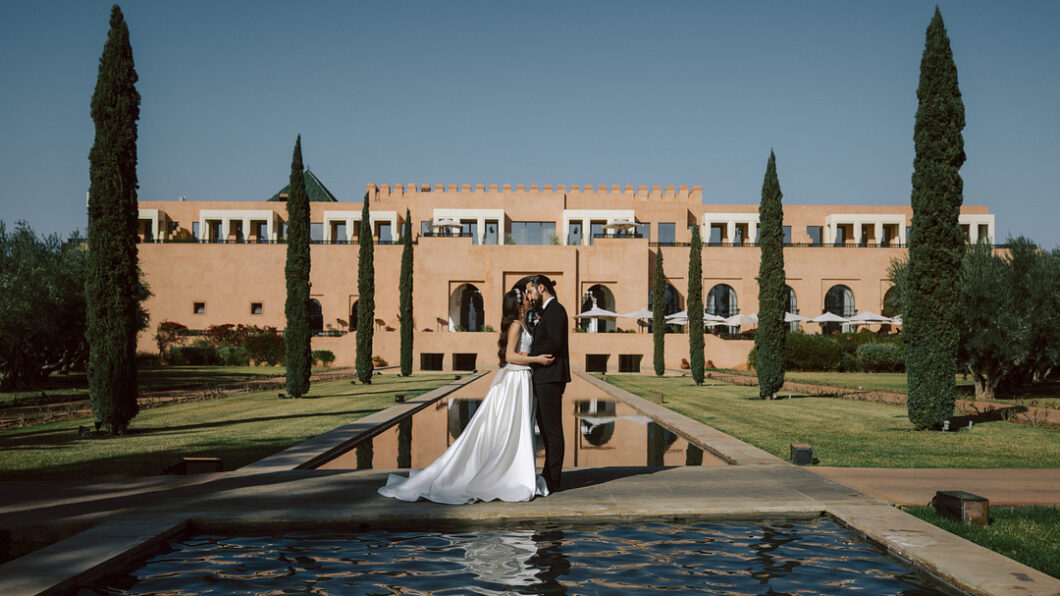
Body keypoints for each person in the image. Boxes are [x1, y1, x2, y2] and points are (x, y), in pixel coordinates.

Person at [378, 288, 553, 504]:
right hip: (515, 381)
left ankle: (514, 470)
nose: (530, 300)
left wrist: (529, 356)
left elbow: (517, 352)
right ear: (519, 305)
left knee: (516, 427)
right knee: (508, 427)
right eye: (526, 299)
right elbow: (509, 356)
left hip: (522, 380)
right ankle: (505, 474)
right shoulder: (516, 325)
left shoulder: (525, 323)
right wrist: (536, 360)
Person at [525, 275, 570, 493]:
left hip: (551, 376)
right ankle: (548, 475)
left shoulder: (556, 310)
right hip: (544, 377)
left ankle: (553, 480)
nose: (529, 296)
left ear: (541, 287)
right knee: (545, 430)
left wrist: (530, 354)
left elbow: (554, 342)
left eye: (530, 292)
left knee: (552, 431)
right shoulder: (545, 312)